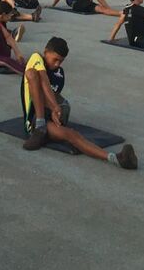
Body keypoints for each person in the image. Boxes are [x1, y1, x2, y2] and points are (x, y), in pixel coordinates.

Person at [20, 36, 137, 170]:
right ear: (45, 52)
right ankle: (39, 127)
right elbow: (43, 80)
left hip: (54, 113)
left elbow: (51, 94)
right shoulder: (36, 58)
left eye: (61, 61)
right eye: (55, 59)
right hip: (37, 118)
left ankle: (116, 158)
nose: (57, 64)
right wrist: (54, 107)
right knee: (31, 74)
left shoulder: (59, 74)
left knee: (73, 134)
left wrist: (56, 110)